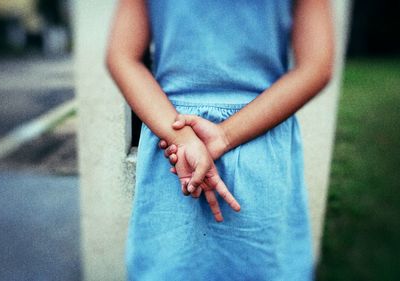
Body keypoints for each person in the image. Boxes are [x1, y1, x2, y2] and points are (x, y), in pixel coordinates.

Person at [105, 0, 335, 280]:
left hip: (176, 144)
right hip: (251, 143)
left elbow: (121, 55)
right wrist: (218, 136)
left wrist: (184, 138)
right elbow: (316, 65)